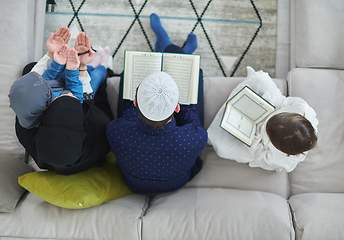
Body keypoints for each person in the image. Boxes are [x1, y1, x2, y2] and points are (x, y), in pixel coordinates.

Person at [106, 13, 208, 194]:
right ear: (177, 107)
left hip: (134, 184)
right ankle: (177, 52)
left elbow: (127, 116)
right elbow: (191, 116)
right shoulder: (196, 139)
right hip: (175, 182)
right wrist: (182, 99)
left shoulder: (115, 132)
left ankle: (165, 43)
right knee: (195, 74)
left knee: (125, 76)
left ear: (135, 102)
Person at [12, 27, 111, 175]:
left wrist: (51, 55)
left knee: (29, 69)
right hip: (85, 97)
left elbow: (32, 88)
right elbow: (88, 100)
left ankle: (85, 63)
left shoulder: (26, 129)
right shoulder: (99, 127)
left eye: (57, 99)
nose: (67, 92)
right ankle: (104, 62)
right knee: (98, 75)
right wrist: (81, 67)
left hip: (54, 91)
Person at [207, 66, 318, 172]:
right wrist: (265, 105)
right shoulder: (303, 109)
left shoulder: (279, 160)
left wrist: (250, 137)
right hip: (271, 108)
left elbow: (258, 155)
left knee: (222, 148)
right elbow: (283, 101)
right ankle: (234, 105)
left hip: (256, 141)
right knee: (260, 79)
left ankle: (230, 110)